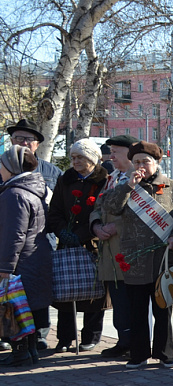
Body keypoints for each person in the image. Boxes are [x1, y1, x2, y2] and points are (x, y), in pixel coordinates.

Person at [102, 141, 173, 368]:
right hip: (135, 258)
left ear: (157, 163)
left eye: (145, 161)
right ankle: (139, 354)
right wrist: (128, 186)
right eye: (136, 162)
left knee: (164, 308)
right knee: (137, 309)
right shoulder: (126, 186)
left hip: (164, 256)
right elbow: (110, 207)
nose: (141, 166)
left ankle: (164, 353)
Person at [46, 138, 110, 353]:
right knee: (66, 291)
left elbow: (103, 213)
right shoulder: (65, 180)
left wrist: (82, 234)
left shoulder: (104, 180)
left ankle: (91, 336)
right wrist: (62, 231)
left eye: (80, 157)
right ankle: (65, 337)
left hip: (92, 243)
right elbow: (54, 211)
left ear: (92, 158)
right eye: (73, 157)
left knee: (94, 292)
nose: (75, 161)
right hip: (67, 243)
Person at [0, 146, 53, 366]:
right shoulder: (32, 189)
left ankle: (21, 353)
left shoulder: (15, 194)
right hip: (35, 257)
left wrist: (5, 267)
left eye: (2, 164)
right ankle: (29, 351)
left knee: (13, 304)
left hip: (20, 260)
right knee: (27, 305)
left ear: (12, 167)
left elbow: (14, 234)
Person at [90, 134, 138, 359]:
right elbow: (97, 206)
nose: (111, 157)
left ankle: (135, 342)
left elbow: (141, 213)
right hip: (109, 249)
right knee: (118, 300)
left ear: (130, 153)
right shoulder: (112, 178)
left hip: (129, 251)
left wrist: (116, 226)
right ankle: (124, 340)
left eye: (116, 152)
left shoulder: (138, 178)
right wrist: (96, 226)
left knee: (132, 301)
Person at [6, 118, 62, 191]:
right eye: (19, 138)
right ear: (12, 141)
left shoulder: (53, 172)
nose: (25, 143)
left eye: (30, 139)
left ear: (37, 144)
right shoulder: (2, 168)